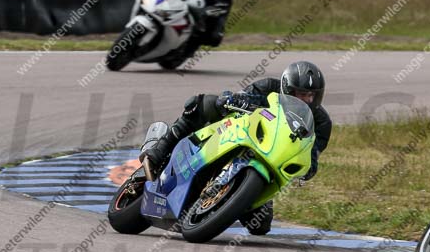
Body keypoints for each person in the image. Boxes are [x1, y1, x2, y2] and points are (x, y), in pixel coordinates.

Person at [140, 61, 332, 235]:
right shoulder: (268, 87)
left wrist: (308, 169)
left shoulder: (321, 123)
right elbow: (241, 97)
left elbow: (313, 153)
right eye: (301, 94)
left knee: (261, 226)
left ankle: (228, 202)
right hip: (238, 135)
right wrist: (234, 100)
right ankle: (159, 150)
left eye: (311, 95)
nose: (306, 99)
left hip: (269, 164)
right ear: (287, 88)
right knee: (204, 103)